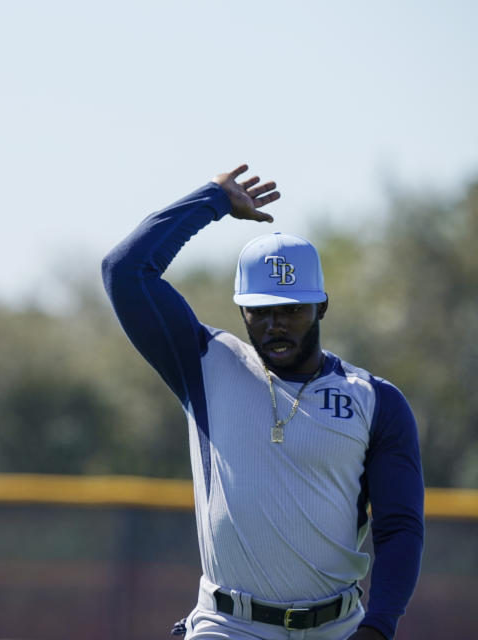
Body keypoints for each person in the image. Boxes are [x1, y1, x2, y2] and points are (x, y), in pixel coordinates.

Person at [101, 165, 423, 640]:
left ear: (321, 307)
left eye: (291, 309)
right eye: (261, 310)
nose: (276, 324)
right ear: (242, 311)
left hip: (338, 627)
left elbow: (399, 527)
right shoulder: (205, 363)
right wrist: (212, 201)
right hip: (228, 625)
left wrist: (379, 626)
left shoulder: (375, 401)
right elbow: (124, 271)